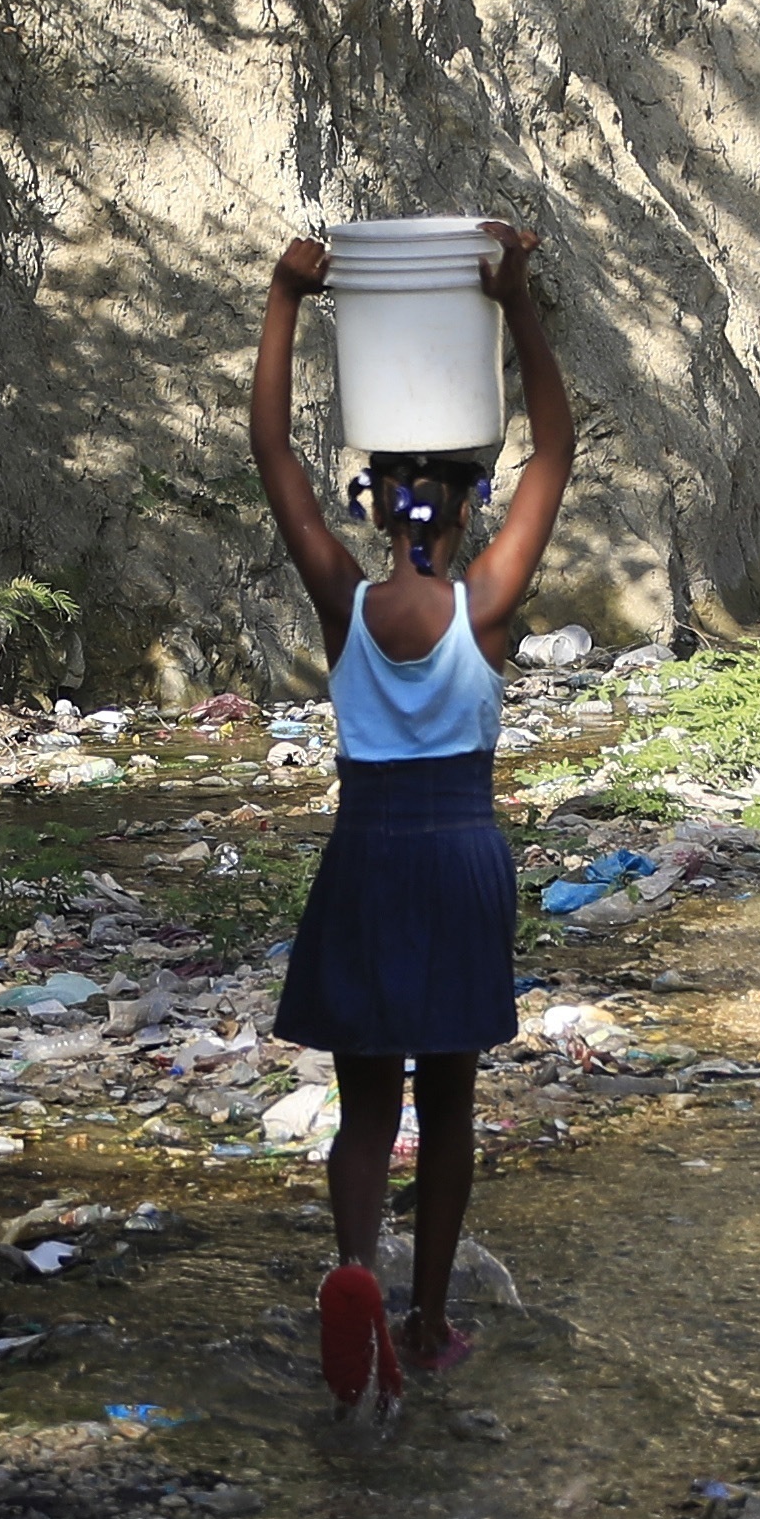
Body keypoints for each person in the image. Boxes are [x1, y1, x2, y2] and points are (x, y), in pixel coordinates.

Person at [249, 222, 574, 1411]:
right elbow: (558, 451)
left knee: (363, 1105)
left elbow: (272, 449)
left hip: (367, 854)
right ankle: (428, 1322)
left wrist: (289, 295)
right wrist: (518, 300)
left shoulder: (343, 599)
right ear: (465, 504)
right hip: (461, 857)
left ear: (380, 508)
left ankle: (353, 1277)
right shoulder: (486, 607)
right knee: (443, 1113)